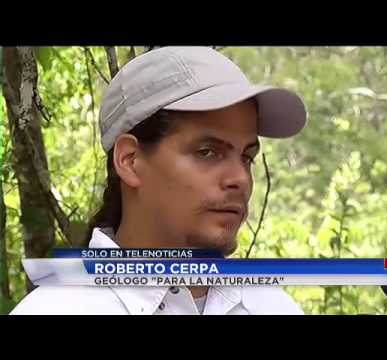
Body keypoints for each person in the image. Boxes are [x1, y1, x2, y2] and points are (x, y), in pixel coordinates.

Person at [11, 46, 307, 315]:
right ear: (130, 161)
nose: (240, 179)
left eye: (246, 157)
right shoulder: (57, 309)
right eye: (208, 152)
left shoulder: (270, 306)